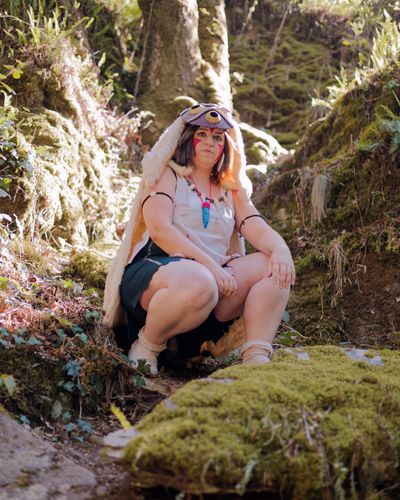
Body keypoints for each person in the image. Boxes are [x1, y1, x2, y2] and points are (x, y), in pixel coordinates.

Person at [103, 103, 295, 375]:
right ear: (186, 138)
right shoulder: (168, 174)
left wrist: (280, 249)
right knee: (200, 282)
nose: (209, 142)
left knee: (274, 267)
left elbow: (256, 226)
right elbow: (159, 229)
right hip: (158, 269)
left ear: (226, 147)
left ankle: (255, 358)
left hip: (213, 286)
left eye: (217, 137)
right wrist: (212, 267)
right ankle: (147, 344)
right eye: (201, 134)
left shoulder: (231, 190)